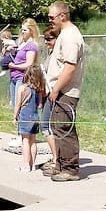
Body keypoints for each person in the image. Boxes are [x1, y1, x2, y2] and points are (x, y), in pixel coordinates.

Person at [45, 1, 85, 182]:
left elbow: (70, 67)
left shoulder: (70, 36)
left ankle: (70, 169)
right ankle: (60, 165)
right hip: (59, 90)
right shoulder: (64, 34)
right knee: (56, 128)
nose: (50, 20)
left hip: (66, 91)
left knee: (64, 128)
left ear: (62, 16)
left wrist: (56, 89)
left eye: (52, 17)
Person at [13, 64, 46, 172]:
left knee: (25, 141)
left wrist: (15, 116)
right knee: (33, 141)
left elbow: (18, 104)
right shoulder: (39, 89)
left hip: (25, 116)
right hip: (35, 116)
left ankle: (26, 165)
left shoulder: (22, 88)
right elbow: (40, 105)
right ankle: (32, 164)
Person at [7, 18, 40, 112]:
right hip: (14, 77)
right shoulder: (22, 44)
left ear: (31, 31)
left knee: (20, 105)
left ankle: (22, 125)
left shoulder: (31, 45)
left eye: (25, 30)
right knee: (14, 106)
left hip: (22, 78)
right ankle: (17, 125)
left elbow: (29, 64)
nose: (22, 32)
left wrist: (14, 66)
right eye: (22, 29)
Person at [40, 26, 59, 176]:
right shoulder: (51, 53)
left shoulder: (58, 55)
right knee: (47, 126)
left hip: (54, 93)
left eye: (49, 39)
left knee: (46, 126)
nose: (46, 42)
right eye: (45, 39)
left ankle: (56, 158)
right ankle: (56, 157)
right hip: (47, 93)